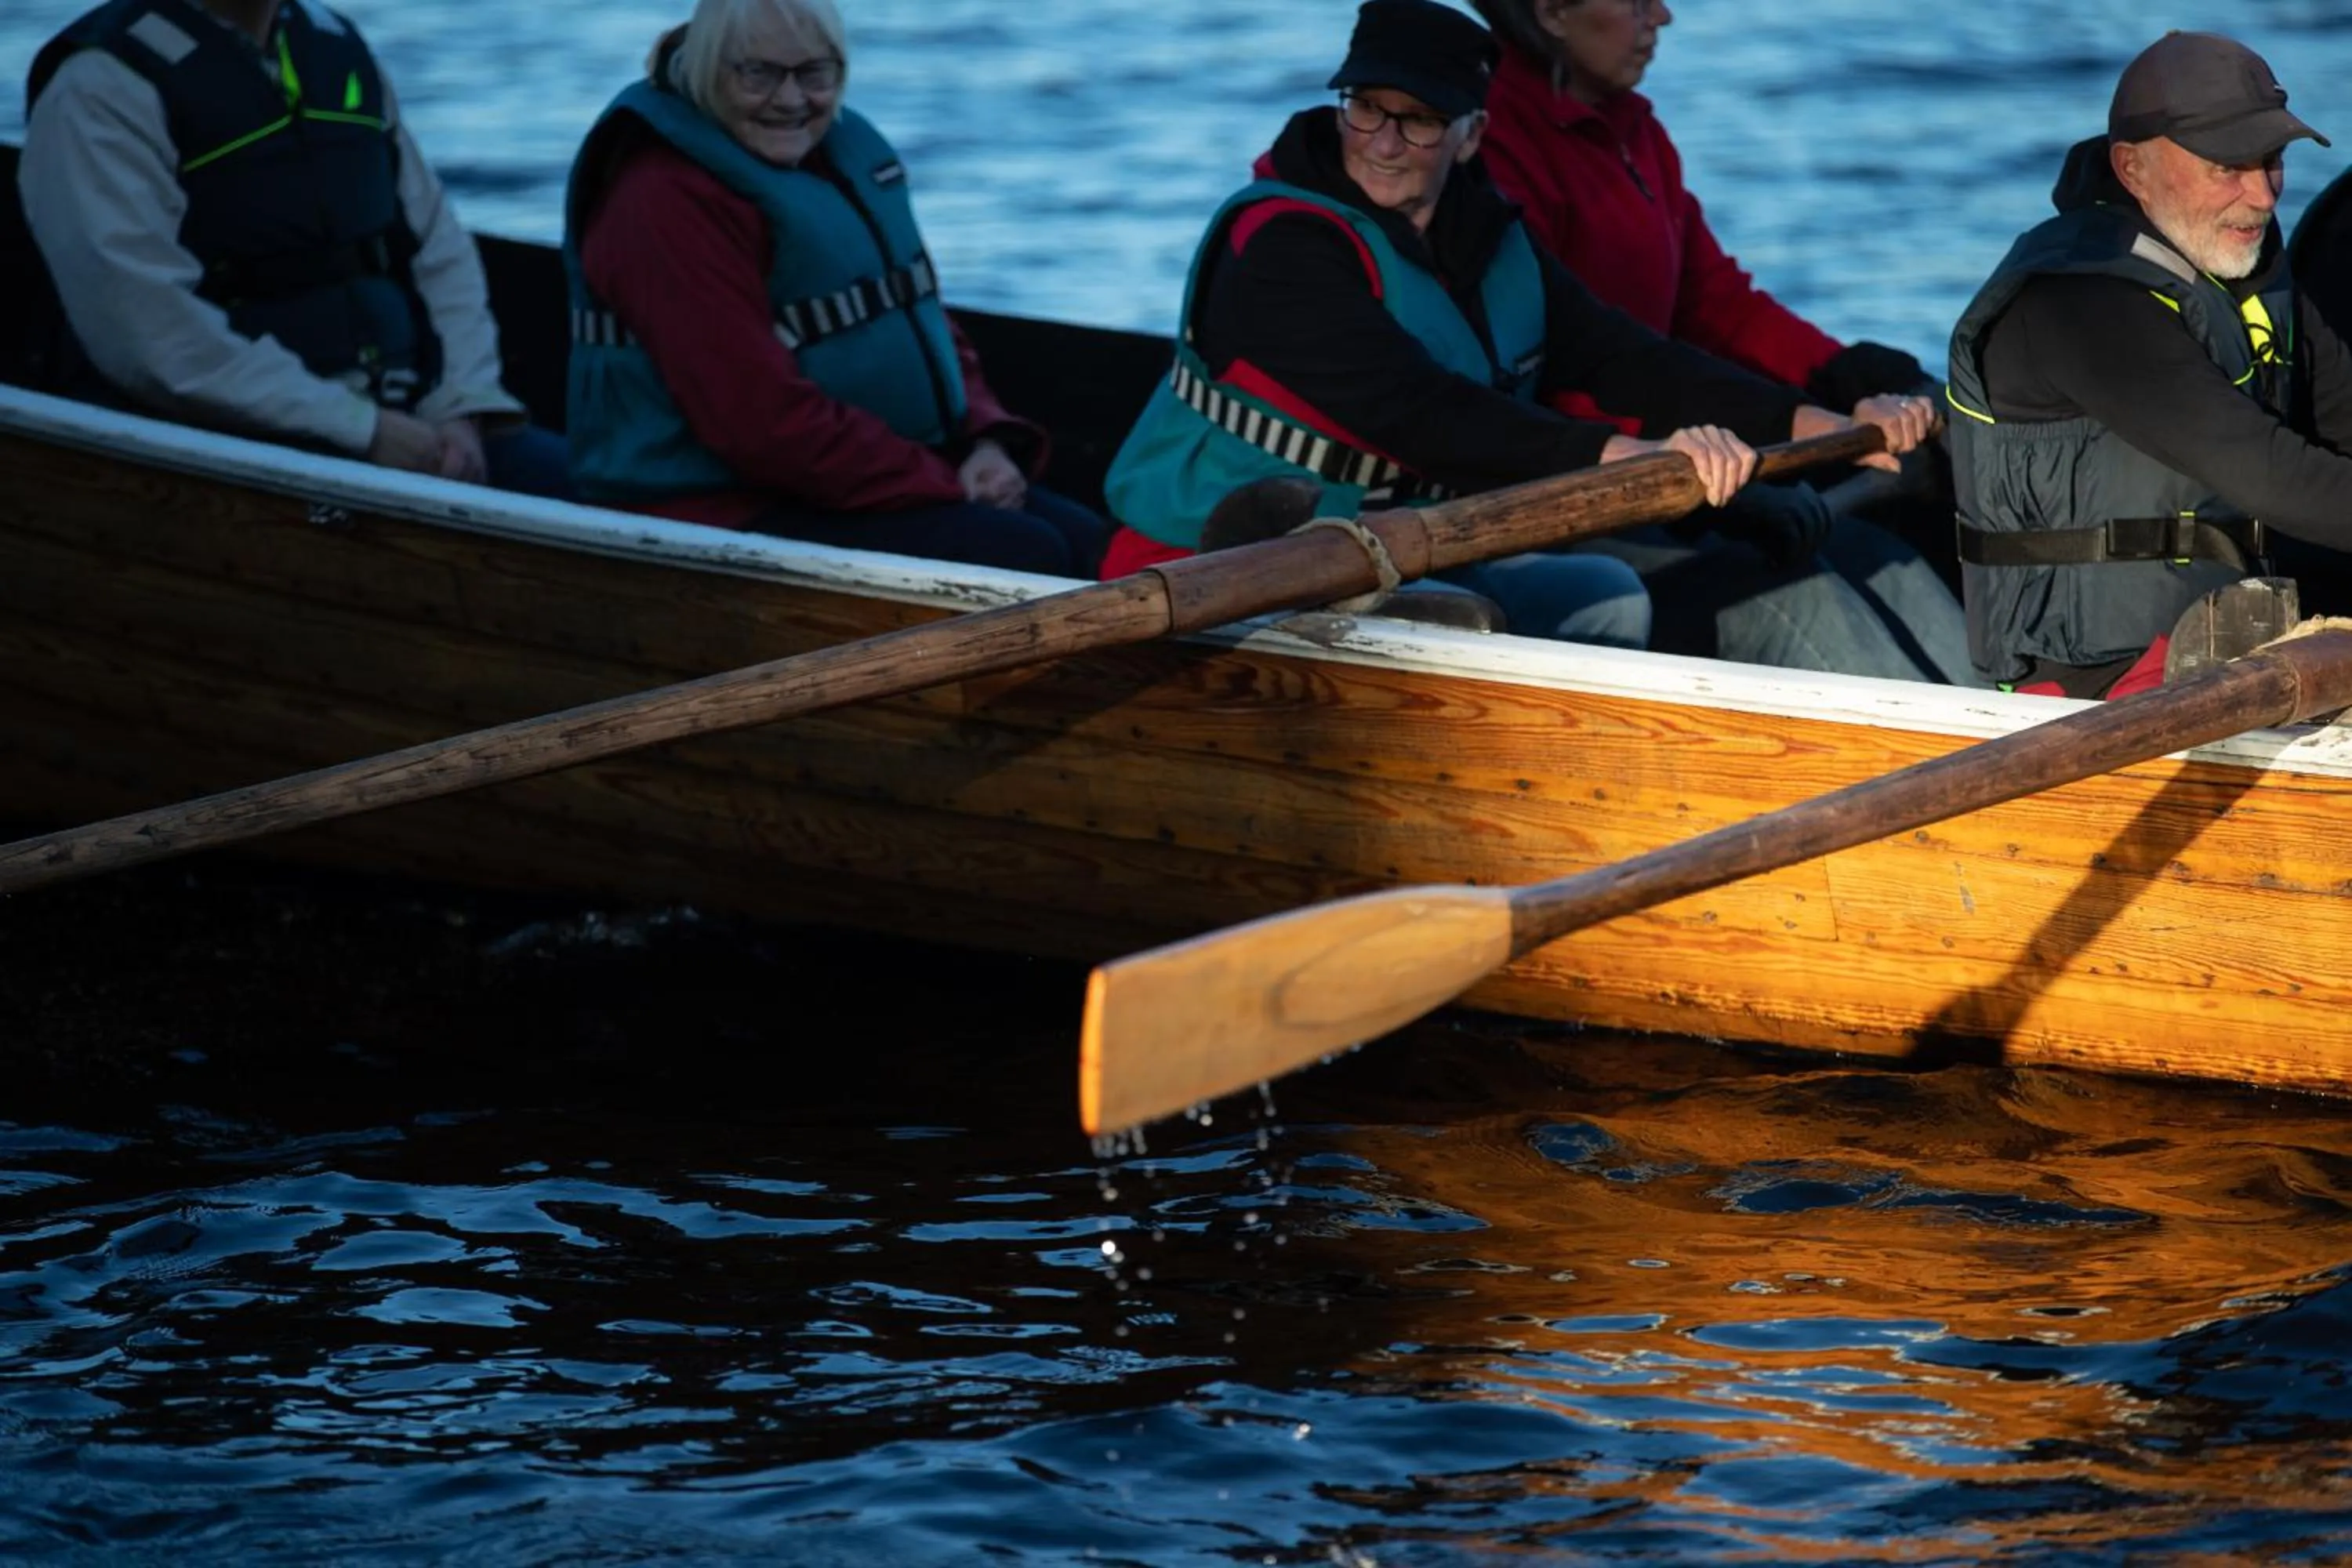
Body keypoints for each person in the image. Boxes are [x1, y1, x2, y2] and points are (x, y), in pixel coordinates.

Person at [1102, 0, 1950, 677]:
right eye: (1365, 109)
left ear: (1473, 134)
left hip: (1410, 544)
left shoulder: (1488, 236)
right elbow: (1421, 411)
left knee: (1604, 593)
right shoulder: (1280, 243)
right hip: (1223, 561)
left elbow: (1623, 356)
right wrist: (1638, 460)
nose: (1384, 142)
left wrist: (1822, 424)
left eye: (1419, 119)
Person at [1464, 0, 1975, 672]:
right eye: (1638, 3)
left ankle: (2018, 735)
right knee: (1800, 592)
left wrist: (1845, 372)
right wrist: (1711, 467)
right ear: (1555, 13)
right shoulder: (1496, 145)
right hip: (1582, 481)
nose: (1663, 18)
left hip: (1686, 449)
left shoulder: (1636, 132)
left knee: (1889, 553)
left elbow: (1718, 306)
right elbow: (1565, 363)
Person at [563, 0, 1108, 578]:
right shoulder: (662, 198)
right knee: (1028, 555)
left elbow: (918, 318)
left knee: (1093, 548)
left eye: (814, 73)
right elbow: (757, 422)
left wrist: (986, 442)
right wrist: (936, 480)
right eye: (759, 74)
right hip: (721, 509)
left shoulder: (834, 151)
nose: (792, 99)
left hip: (867, 475)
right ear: (705, 68)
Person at [19, 0, 568, 496]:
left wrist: (462, 408)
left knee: (608, 497)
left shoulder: (337, 50)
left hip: (421, 426)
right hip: (230, 456)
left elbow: (439, 253)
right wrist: (360, 429)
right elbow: (146, 333)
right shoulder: (100, 85)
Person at [1946, 31, 2352, 698]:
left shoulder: (2244, 264)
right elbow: (2267, 471)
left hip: (2230, 635)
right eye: (2228, 166)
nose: (2263, 194)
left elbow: (2343, 416)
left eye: (2272, 159)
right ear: (2133, 168)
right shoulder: (2081, 299)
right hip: (2096, 682)